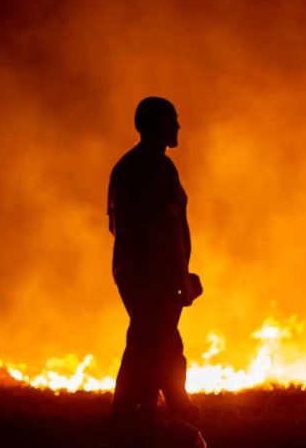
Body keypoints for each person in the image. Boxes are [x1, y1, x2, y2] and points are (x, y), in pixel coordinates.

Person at [107, 97, 202, 434]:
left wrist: (180, 273)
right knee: (156, 340)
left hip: (151, 274)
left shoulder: (152, 167)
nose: (178, 127)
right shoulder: (146, 170)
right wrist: (173, 276)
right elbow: (154, 230)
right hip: (149, 275)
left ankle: (140, 411)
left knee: (152, 341)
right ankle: (145, 410)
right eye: (172, 120)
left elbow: (122, 225)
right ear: (156, 125)